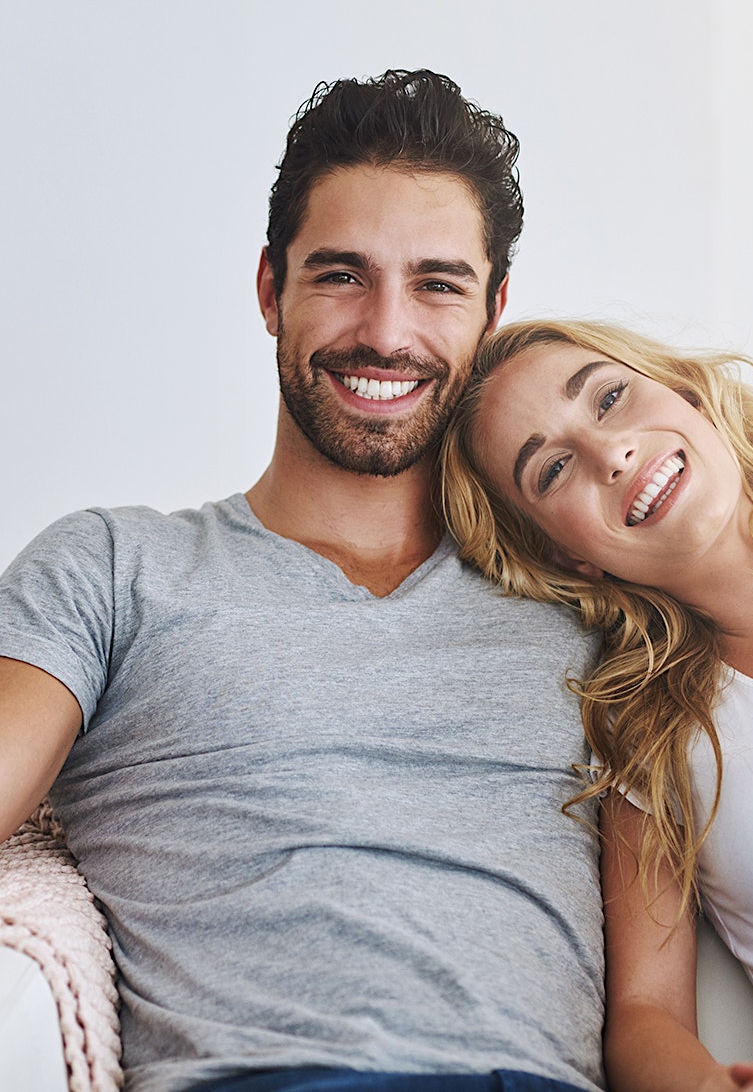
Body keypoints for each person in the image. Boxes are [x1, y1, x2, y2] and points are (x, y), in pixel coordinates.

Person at [0, 75, 606, 1092]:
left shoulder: (584, 601)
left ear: (493, 311)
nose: (387, 330)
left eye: (438, 284)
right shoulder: (110, 569)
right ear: (270, 289)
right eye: (341, 275)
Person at [440, 318, 753, 1092]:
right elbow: (647, 1017)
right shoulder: (652, 737)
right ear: (566, 553)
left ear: (684, 393)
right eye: (553, 471)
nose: (611, 455)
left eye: (609, 397)